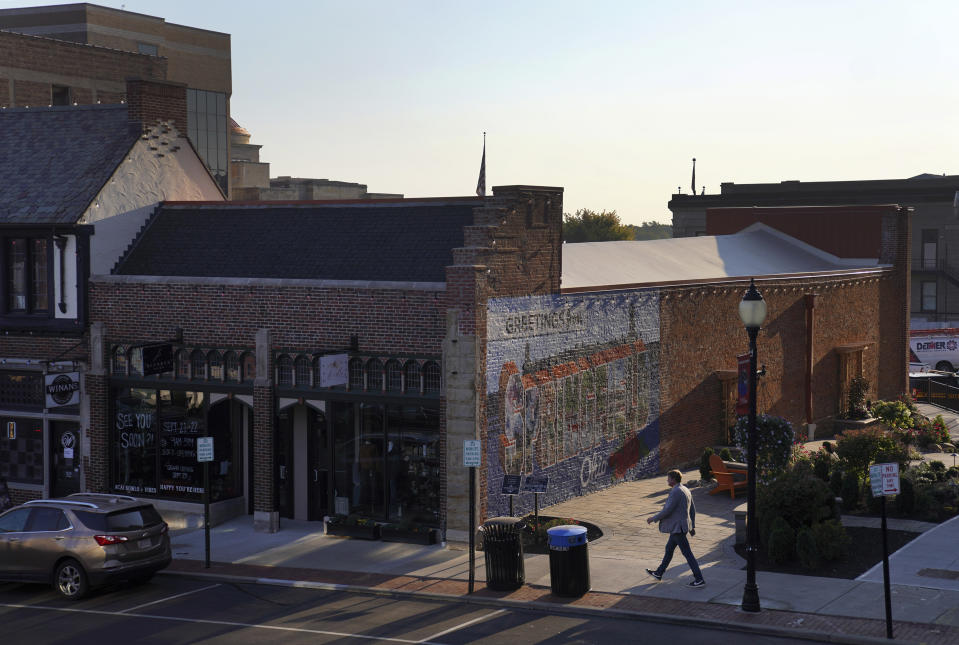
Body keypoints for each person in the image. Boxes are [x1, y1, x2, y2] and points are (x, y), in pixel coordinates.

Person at [645, 469, 705, 587]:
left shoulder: (676, 491)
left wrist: (653, 518)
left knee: (687, 554)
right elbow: (692, 510)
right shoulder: (686, 489)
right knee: (669, 549)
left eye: (668, 478)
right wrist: (692, 526)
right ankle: (659, 573)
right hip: (681, 527)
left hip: (678, 528)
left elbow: (668, 510)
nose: (667, 480)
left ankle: (699, 579)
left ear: (673, 479)